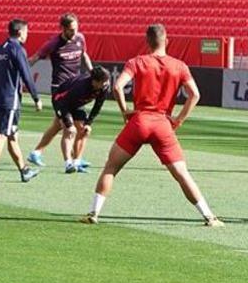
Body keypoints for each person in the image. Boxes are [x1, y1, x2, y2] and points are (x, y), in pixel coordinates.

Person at [79, 24, 222, 227]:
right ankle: (209, 216)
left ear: (147, 42)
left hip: (139, 121)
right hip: (163, 124)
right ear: (167, 40)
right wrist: (179, 119)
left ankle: (94, 212)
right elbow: (195, 95)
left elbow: (118, 87)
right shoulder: (179, 66)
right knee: (182, 174)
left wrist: (124, 111)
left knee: (111, 167)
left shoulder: (137, 62)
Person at [27, 13, 93, 168]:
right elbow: (35, 57)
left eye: (76, 29)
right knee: (69, 128)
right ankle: (71, 162)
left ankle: (36, 153)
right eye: (70, 30)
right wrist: (20, 69)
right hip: (60, 91)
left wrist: (92, 72)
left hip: (76, 89)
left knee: (60, 125)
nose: (74, 32)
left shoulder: (80, 38)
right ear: (62, 28)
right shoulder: (53, 43)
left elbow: (84, 55)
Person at [0, 19, 42, 183]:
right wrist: (36, 97)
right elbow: (26, 74)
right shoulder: (17, 49)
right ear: (20, 32)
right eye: (26, 31)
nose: (27, 34)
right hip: (11, 100)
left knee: (12, 135)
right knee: (3, 134)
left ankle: (24, 170)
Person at [52, 66, 111, 174]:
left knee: (84, 131)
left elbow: (97, 106)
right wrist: (68, 124)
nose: (105, 84)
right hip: (61, 101)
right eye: (102, 82)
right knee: (69, 131)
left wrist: (89, 123)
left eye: (106, 81)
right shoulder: (80, 87)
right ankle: (68, 164)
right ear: (94, 81)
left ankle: (77, 162)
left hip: (77, 104)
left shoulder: (104, 87)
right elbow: (62, 103)